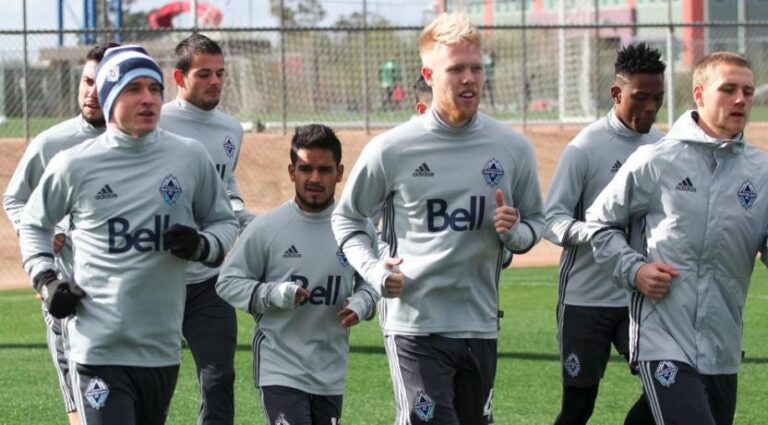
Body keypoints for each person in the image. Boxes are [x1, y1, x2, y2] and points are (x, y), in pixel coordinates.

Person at [332, 12, 545, 424]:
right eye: (456, 69)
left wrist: (514, 233)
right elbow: (348, 219)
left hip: (480, 324)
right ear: (428, 75)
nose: (469, 79)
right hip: (415, 325)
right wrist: (375, 272)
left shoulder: (512, 147)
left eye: (476, 68)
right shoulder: (392, 149)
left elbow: (537, 222)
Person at [18, 44, 239, 425]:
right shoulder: (74, 163)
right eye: (133, 89)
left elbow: (224, 222)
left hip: (160, 350)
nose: (148, 99)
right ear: (108, 96)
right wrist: (47, 280)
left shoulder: (189, 157)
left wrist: (202, 246)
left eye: (154, 89)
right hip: (97, 345)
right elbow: (34, 223)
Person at [586, 51, 765, 425]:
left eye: (747, 91)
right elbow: (599, 224)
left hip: (722, 346)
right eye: (728, 89)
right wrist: (634, 271)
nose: (740, 100)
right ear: (699, 94)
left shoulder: (761, 171)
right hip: (663, 339)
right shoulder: (656, 160)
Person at [216, 124, 379, 425]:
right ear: (292, 172)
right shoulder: (266, 228)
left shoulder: (356, 226)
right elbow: (227, 283)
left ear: (340, 172)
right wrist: (275, 294)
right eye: (305, 169)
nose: (314, 178)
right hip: (281, 369)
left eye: (324, 170)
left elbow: (372, 279)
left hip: (330, 372)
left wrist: (362, 304)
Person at [545, 42, 665, 425]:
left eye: (658, 98)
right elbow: (552, 220)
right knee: (579, 408)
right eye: (640, 97)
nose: (650, 107)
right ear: (617, 93)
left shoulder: (663, 147)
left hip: (639, 297)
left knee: (667, 388)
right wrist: (597, 233)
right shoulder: (585, 148)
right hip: (586, 300)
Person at [3, 41, 118, 425]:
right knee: (81, 405)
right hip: (67, 294)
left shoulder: (148, 148)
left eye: (102, 83)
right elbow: (15, 199)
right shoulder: (52, 143)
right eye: (86, 81)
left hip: (126, 299)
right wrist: (41, 230)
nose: (91, 92)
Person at [158, 33, 255, 425]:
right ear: (179, 78)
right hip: (157, 278)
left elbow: (225, 185)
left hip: (209, 280)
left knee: (219, 377)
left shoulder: (232, 129)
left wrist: (243, 215)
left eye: (220, 74)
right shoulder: (155, 120)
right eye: (204, 74)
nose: (215, 82)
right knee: (155, 381)